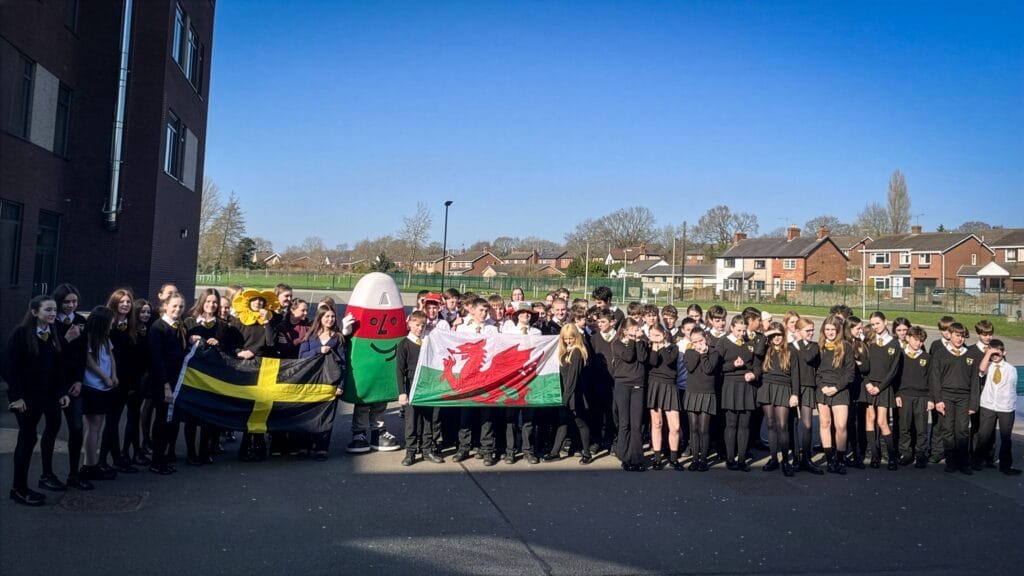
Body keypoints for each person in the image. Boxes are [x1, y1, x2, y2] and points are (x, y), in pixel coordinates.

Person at [5, 296, 71, 506]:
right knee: (27, 439)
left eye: (54, 310)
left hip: (49, 395)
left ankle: (46, 476)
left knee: (53, 427)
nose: (53, 313)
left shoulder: (53, 332)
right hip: (27, 397)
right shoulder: (21, 333)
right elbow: (10, 367)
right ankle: (19, 489)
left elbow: (59, 366)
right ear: (35, 312)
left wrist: (62, 392)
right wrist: (17, 397)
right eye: (48, 310)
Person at [38, 283, 90, 492]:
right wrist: (67, 339)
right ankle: (46, 474)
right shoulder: (51, 322)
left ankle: (74, 474)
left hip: (73, 383)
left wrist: (79, 380)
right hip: (53, 385)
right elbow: (52, 356)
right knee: (52, 427)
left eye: (74, 301)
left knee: (76, 428)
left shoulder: (80, 321)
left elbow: (82, 354)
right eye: (66, 302)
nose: (70, 305)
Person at [183, 288, 229, 465]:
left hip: (212, 377)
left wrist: (219, 343)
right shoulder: (189, 322)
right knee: (191, 417)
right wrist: (189, 340)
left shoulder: (222, 326)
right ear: (202, 302)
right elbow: (180, 344)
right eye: (208, 301)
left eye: (215, 302)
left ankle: (204, 451)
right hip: (192, 376)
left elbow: (228, 351)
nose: (211, 305)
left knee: (208, 417)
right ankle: (190, 453)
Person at [453, 298, 500, 465]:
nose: (484, 314)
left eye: (486, 311)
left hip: (486, 379)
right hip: (468, 379)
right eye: (481, 310)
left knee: (486, 415)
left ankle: (486, 449)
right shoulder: (462, 328)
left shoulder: (493, 329)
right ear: (472, 311)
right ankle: (464, 446)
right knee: (465, 414)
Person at [929, 322, 981, 474]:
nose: (959, 339)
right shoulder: (940, 354)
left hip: (964, 398)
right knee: (948, 430)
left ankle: (963, 463)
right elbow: (934, 378)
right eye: (957, 335)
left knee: (962, 430)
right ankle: (951, 462)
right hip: (946, 397)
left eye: (962, 336)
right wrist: (938, 400)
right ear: (950, 335)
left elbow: (975, 381)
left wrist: (974, 403)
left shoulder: (970, 354)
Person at [298, 305, 347, 460]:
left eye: (332, 316)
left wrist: (341, 385)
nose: (330, 319)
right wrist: (318, 351)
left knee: (326, 416)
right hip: (311, 382)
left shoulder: (338, 338)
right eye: (327, 316)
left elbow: (343, 363)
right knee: (307, 414)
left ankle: (321, 448)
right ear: (320, 318)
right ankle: (304, 446)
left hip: (329, 382)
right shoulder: (310, 335)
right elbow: (301, 356)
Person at [147, 293, 188, 475]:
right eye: (174, 306)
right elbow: (157, 358)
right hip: (163, 382)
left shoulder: (179, 326)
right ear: (165, 306)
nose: (177, 309)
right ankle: (156, 461)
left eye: (181, 307)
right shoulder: (159, 327)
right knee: (161, 421)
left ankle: (163, 458)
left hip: (175, 381)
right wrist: (165, 385)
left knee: (170, 422)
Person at [101, 289, 141, 474]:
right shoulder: (108, 326)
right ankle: (104, 460)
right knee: (111, 421)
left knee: (115, 420)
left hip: (126, 380)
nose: (125, 304)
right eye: (121, 301)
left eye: (128, 302)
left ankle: (116, 458)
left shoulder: (132, 326)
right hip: (110, 379)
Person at [79, 306, 118, 482]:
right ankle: (89, 465)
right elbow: (89, 362)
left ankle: (92, 463)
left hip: (105, 387)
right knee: (93, 426)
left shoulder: (105, 338)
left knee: (98, 425)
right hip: (92, 386)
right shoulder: (88, 337)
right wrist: (104, 377)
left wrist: (114, 375)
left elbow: (111, 356)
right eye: (110, 322)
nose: (112, 325)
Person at [717, 315, 760, 472]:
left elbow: (757, 365)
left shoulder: (750, 343)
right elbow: (717, 367)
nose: (742, 334)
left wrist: (754, 374)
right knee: (731, 424)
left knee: (744, 425)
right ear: (732, 328)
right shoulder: (723, 342)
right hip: (730, 385)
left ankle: (741, 459)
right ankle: (730, 459)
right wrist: (732, 365)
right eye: (739, 330)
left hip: (747, 386)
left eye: (744, 330)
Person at [546, 324, 593, 465]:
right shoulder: (565, 351)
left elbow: (573, 378)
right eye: (565, 338)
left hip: (574, 395)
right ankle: (555, 452)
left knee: (580, 423)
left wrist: (566, 398)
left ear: (576, 337)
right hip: (567, 393)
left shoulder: (577, 352)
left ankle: (587, 453)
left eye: (570, 338)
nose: (568, 341)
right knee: (563, 423)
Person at [974, 340, 1020, 475]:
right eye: (992, 353)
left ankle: (1006, 465)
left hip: (1005, 407)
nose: (995, 356)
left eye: (997, 353)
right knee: (984, 435)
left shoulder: (1010, 369)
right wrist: (988, 354)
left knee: (1005, 437)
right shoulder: (988, 365)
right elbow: (981, 370)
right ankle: (977, 461)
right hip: (988, 405)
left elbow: (1008, 388)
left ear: (1004, 352)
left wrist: (998, 356)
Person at [757, 322, 798, 476]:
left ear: (784, 335)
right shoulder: (766, 349)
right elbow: (757, 350)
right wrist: (767, 334)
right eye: (773, 335)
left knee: (782, 425)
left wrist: (795, 394)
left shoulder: (791, 351)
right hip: (767, 387)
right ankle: (774, 458)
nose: (776, 338)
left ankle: (785, 461)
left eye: (779, 335)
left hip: (784, 388)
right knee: (770, 425)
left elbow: (795, 375)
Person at [503, 304, 541, 464]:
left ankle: (528, 450)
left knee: (529, 417)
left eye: (529, 313)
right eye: (523, 313)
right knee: (510, 417)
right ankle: (510, 451)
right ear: (517, 315)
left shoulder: (537, 333)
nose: (526, 315)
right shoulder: (509, 332)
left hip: (530, 379)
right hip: (513, 379)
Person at [817, 315, 854, 474]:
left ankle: (840, 459)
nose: (830, 332)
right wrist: (822, 386)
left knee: (841, 426)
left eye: (833, 329)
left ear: (838, 330)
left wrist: (837, 388)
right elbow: (815, 371)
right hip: (823, 390)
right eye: (827, 329)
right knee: (825, 424)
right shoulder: (820, 347)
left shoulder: (846, 346)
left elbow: (850, 373)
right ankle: (830, 459)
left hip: (840, 390)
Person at [865, 312, 902, 470]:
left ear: (885, 322)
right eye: (872, 324)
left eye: (877, 323)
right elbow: (863, 365)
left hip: (884, 387)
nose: (875, 327)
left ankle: (892, 457)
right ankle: (874, 455)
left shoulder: (894, 343)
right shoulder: (869, 341)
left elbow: (893, 370)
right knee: (870, 419)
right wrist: (867, 383)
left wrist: (880, 387)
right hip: (869, 385)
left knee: (882, 421)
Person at [612, 318, 649, 471]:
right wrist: (632, 340)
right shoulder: (617, 344)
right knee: (625, 422)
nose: (637, 331)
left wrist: (638, 341)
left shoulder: (642, 342)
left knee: (636, 424)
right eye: (633, 329)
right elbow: (628, 356)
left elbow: (642, 357)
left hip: (638, 384)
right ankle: (625, 456)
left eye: (637, 328)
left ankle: (637, 458)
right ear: (625, 330)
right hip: (622, 384)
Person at [646, 324, 682, 470]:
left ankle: (674, 458)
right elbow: (653, 362)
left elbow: (668, 361)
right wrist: (655, 348)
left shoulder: (673, 348)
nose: (654, 338)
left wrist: (661, 345)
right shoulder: (650, 348)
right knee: (657, 424)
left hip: (670, 386)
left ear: (664, 334)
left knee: (675, 426)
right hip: (655, 385)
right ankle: (657, 458)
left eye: (657, 335)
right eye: (652, 335)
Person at [896, 326, 931, 468]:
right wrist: (897, 394)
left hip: (922, 397)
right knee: (904, 427)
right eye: (915, 340)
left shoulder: (926, 357)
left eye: (921, 341)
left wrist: (931, 398)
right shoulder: (900, 355)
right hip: (904, 395)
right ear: (907, 338)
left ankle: (921, 453)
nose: (918, 343)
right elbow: (895, 377)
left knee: (921, 427)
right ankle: (906, 453)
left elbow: (931, 379)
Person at [791, 318, 823, 474]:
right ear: (797, 331)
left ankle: (806, 458)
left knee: (807, 425)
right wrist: (797, 342)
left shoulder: (814, 347)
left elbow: (807, 357)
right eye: (807, 330)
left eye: (812, 330)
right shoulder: (789, 347)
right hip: (791, 387)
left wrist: (800, 341)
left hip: (808, 387)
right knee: (792, 423)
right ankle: (795, 457)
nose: (811, 333)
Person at [683, 328, 716, 471]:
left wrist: (703, 354)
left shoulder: (713, 352)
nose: (698, 344)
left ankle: (703, 460)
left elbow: (708, 369)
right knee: (693, 428)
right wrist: (697, 351)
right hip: (692, 392)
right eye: (694, 341)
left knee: (703, 429)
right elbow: (690, 367)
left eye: (700, 340)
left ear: (706, 338)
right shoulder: (689, 352)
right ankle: (695, 459)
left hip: (707, 392)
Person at [126, 299, 153, 465]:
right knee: (132, 418)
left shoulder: (147, 330)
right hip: (132, 381)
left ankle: (136, 451)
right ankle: (129, 452)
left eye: (148, 312)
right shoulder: (130, 332)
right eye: (142, 312)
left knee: (135, 417)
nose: (146, 315)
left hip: (144, 380)